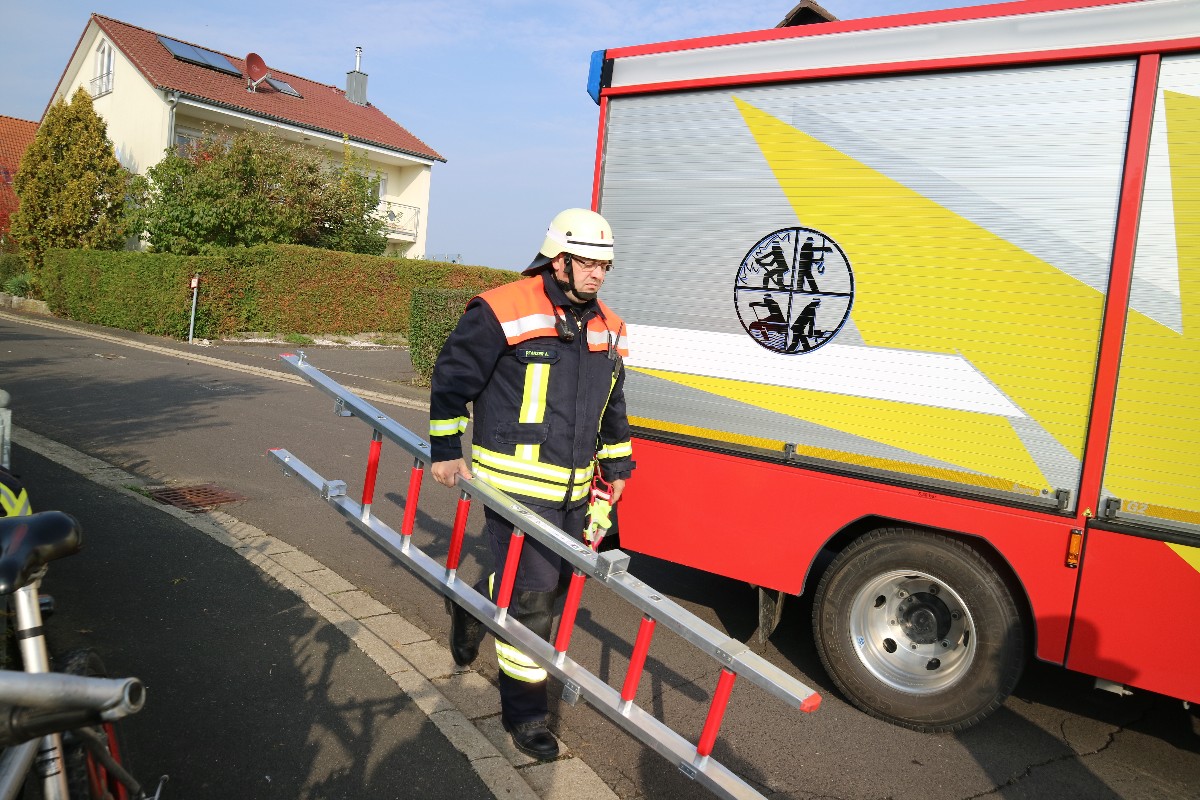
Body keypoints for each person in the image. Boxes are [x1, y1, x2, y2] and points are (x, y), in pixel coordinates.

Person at [428, 208, 634, 761]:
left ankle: (472, 606)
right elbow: (452, 379)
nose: (597, 274)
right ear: (558, 260)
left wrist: (617, 468)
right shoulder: (502, 308)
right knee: (534, 600)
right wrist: (445, 450)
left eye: (605, 266)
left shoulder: (609, 326)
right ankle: (525, 716)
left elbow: (612, 404)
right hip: (514, 486)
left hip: (575, 491)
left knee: (552, 582)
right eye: (588, 263)